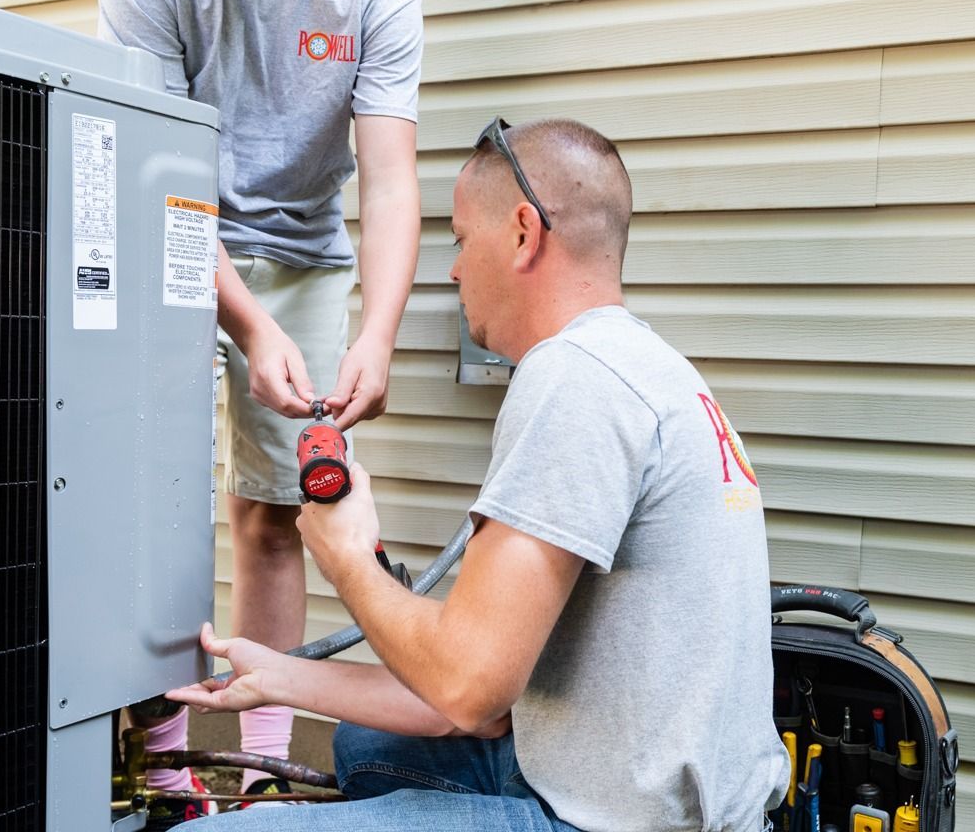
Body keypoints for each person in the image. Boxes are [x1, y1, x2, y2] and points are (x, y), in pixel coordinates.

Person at [168, 118, 791, 831]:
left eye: (462, 240)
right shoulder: (652, 368)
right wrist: (277, 675)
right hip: (653, 791)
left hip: (612, 822)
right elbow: (482, 700)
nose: (455, 270)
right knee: (367, 748)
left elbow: (466, 688)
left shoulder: (575, 379)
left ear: (524, 233)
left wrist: (346, 559)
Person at [97, 0, 423, 814]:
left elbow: (387, 181)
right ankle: (168, 771)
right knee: (153, 495)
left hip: (302, 248)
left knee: (274, 515)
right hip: (165, 230)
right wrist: (243, 322)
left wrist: (375, 334)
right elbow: (161, 176)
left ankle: (255, 779)